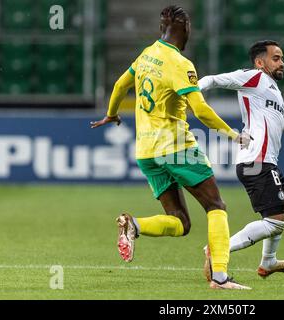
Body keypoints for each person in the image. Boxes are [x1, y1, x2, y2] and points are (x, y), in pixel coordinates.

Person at [90, 5, 252, 290]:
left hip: (146, 152)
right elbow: (200, 109)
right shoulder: (180, 64)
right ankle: (220, 276)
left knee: (180, 222)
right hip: (176, 147)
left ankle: (134, 225)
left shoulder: (146, 54)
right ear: (185, 27)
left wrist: (112, 114)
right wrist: (231, 134)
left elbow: (119, 85)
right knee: (216, 206)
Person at [198, 40, 284, 280]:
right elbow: (214, 80)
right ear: (260, 62)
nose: (282, 63)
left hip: (267, 162)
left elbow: (281, 121)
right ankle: (217, 250)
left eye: (282, 58)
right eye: (276, 58)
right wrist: (193, 92)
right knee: (275, 222)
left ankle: (268, 262)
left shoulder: (273, 90)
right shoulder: (253, 77)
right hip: (255, 162)